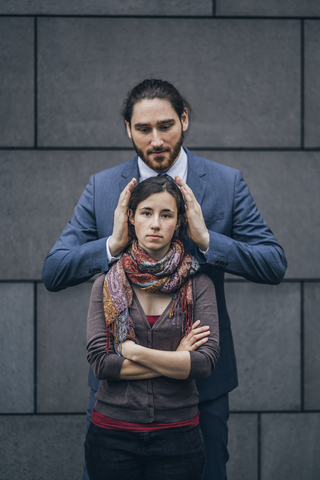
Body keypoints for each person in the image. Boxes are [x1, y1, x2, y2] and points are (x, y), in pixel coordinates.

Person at [42, 79, 287, 480]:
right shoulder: (103, 188)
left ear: (184, 120)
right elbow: (54, 270)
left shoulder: (226, 183)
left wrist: (208, 242)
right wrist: (112, 243)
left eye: (166, 125)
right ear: (128, 129)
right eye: (143, 129)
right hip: (116, 388)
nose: (156, 139)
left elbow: (273, 263)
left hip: (201, 389)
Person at [85, 176, 220, 480]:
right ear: (131, 218)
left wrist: (131, 351)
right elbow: (102, 364)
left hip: (179, 436)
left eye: (166, 214)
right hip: (111, 436)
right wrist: (177, 359)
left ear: (179, 222)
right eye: (146, 213)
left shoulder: (199, 285)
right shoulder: (106, 285)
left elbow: (203, 362)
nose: (156, 224)